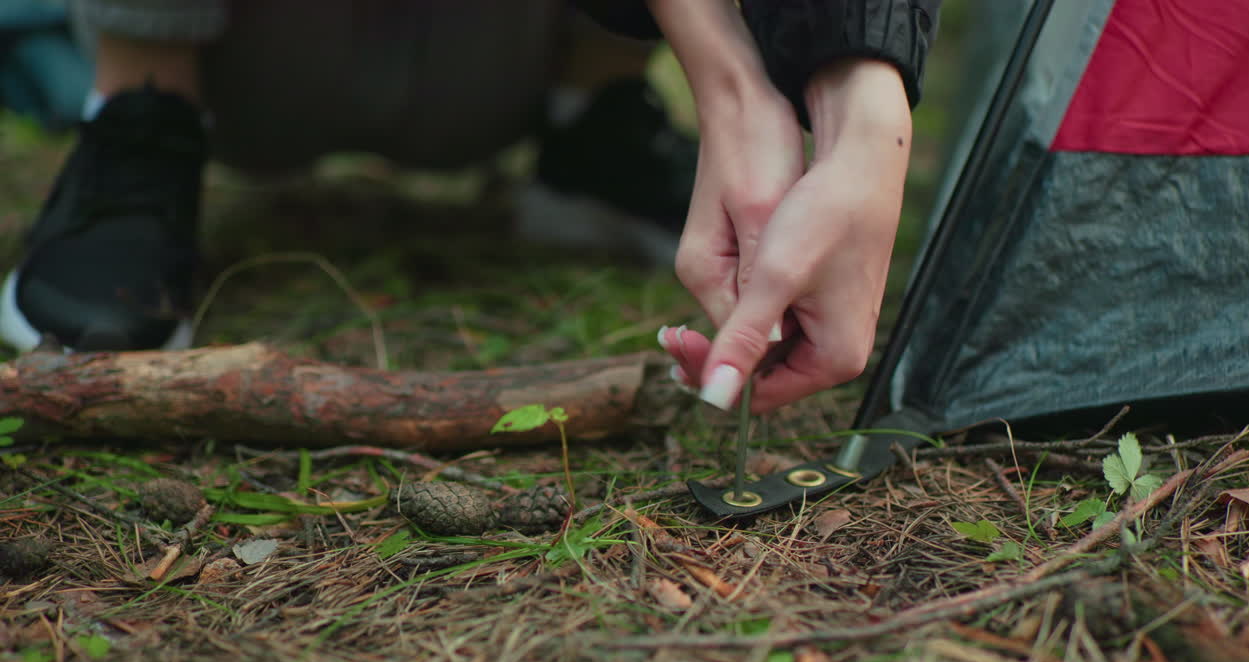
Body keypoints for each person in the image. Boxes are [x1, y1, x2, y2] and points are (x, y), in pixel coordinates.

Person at [1, 0, 940, 417]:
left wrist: (859, 100)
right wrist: (727, 79)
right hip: (240, 51)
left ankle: (595, 118)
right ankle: (140, 113)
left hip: (509, 49)